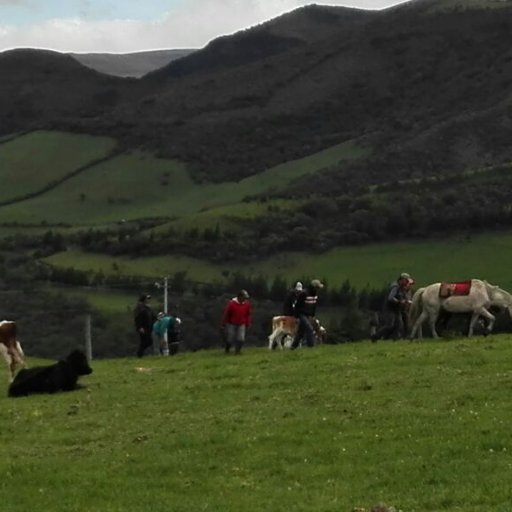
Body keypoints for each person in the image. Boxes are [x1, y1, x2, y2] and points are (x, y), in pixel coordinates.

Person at [372, 273, 413, 342]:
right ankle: (376, 336)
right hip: (389, 308)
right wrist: (400, 302)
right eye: (406, 281)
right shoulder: (395, 287)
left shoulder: (401, 288)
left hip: (396, 308)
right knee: (389, 325)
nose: (407, 282)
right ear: (402, 280)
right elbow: (390, 298)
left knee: (398, 325)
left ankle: (394, 339)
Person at [291, 279, 324, 349]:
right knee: (309, 329)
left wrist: (312, 315)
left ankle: (293, 347)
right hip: (301, 314)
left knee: (300, 333)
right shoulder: (304, 294)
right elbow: (297, 305)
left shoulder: (315, 295)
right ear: (314, 287)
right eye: (317, 287)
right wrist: (296, 316)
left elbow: (313, 306)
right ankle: (311, 347)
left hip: (308, 315)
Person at [221, 289, 252, 354]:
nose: (245, 299)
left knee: (241, 338)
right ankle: (227, 350)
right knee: (230, 338)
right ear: (239, 297)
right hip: (231, 323)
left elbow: (248, 314)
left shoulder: (247, 304)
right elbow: (226, 313)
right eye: (244, 298)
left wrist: (248, 323)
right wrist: (223, 323)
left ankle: (237, 351)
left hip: (241, 323)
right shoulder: (231, 303)